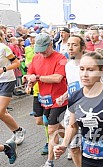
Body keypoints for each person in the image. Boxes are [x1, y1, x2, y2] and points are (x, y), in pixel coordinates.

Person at [53, 51, 103, 167]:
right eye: (82, 69)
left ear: (101, 72)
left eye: (90, 70)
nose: (84, 74)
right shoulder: (75, 97)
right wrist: (64, 144)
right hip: (87, 158)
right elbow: (72, 126)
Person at [24, 32, 68, 167]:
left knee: (51, 130)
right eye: (39, 51)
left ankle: (49, 161)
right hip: (42, 96)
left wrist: (37, 77)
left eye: (44, 50)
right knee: (40, 121)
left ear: (50, 45)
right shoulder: (36, 58)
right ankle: (71, 137)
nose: (41, 54)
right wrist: (29, 82)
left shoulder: (61, 58)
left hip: (58, 98)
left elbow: (57, 78)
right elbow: (30, 72)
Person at [55, 35, 86, 167]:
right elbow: (73, 86)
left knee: (93, 147)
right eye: (68, 45)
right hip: (72, 109)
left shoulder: (89, 65)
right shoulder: (68, 66)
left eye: (74, 45)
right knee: (73, 148)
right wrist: (64, 96)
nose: (70, 48)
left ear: (82, 47)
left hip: (89, 111)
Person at [0, 30, 26, 146]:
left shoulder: (3, 48)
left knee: (0, 111)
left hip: (7, 80)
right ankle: (17, 131)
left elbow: (17, 63)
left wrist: (3, 69)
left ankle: (19, 131)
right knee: (3, 112)